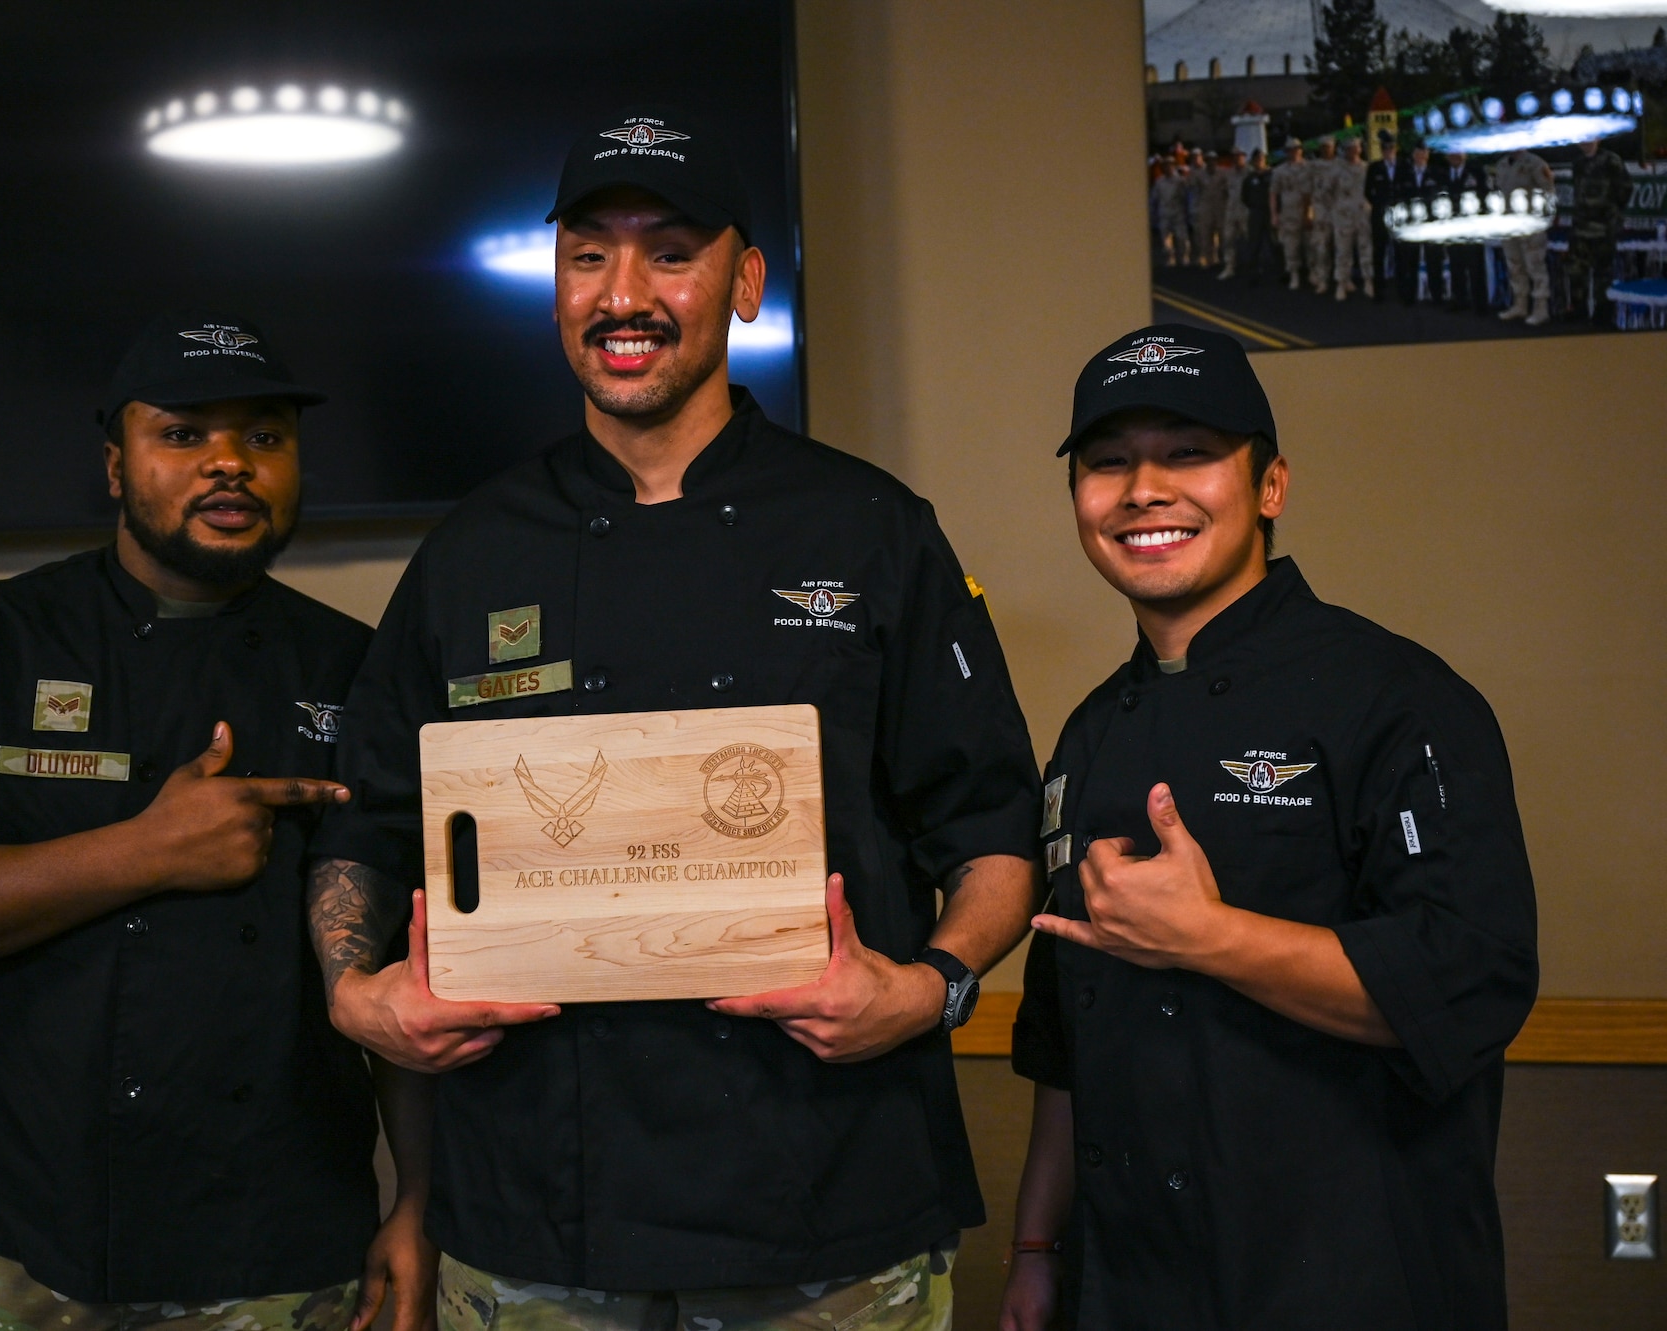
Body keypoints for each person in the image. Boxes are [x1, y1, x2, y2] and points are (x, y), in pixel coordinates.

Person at [310, 105, 1044, 1331]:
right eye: (588, 254)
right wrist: (354, 993)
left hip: (828, 1198)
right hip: (536, 1214)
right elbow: (370, 822)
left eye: (668, 252)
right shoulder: (471, 552)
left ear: (744, 282)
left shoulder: (868, 531)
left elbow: (993, 826)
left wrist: (931, 986)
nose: (622, 292)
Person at [0, 313, 436, 1330]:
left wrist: (418, 1200)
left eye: (265, 437)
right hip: (40, 1226)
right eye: (184, 434)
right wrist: (142, 851)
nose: (230, 463)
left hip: (281, 1231)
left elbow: (405, 952)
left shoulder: (357, 666)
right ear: (115, 465)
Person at [994, 324, 1539, 1330]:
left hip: (1350, 1280)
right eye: (1106, 463)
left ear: (1270, 484)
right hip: (1126, 1288)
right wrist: (1036, 1247)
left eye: (1187, 454)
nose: (1142, 489)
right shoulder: (1084, 733)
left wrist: (1210, 938)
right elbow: (1063, 1039)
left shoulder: (1395, 699)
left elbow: (1469, 977)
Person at [1565, 136, 1631, 326]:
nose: (1584, 142)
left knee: (1603, 272)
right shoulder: (1578, 164)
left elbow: (1625, 189)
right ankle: (1578, 309)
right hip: (1581, 227)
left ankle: (1603, 313)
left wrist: (1610, 212)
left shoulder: (1611, 161)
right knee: (1577, 271)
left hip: (1604, 228)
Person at [1492, 146, 1555, 325]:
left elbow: (1548, 190)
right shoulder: (1502, 164)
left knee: (1535, 266)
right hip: (1509, 224)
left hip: (1530, 224)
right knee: (1515, 265)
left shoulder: (1535, 163)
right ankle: (1520, 304)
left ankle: (1540, 308)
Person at [1440, 150, 1490, 313]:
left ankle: (1480, 303)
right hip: (1452, 225)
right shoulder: (1443, 173)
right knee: (1456, 264)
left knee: (1475, 265)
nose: (1454, 156)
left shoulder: (1476, 171)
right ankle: (1459, 299)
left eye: (1458, 153)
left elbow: (1485, 195)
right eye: (1451, 153)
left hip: (1472, 226)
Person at [1396, 143, 1445, 305]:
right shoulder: (1404, 175)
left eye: (1423, 152)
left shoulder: (1437, 173)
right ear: (1413, 155)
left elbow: (1443, 197)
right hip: (1411, 224)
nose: (1420, 155)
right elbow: (1399, 197)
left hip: (1431, 224)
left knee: (1434, 262)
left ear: (1428, 154)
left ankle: (1436, 296)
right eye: (1417, 152)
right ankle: (1408, 296)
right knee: (1410, 262)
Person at [1330, 137, 1376, 301]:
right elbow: (1327, 192)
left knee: (1366, 251)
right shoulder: (1337, 170)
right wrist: (1337, 209)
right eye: (1350, 148)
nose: (1353, 151)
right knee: (1343, 252)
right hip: (1344, 216)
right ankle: (1341, 283)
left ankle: (1369, 282)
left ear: (1360, 149)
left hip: (1363, 215)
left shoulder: (1366, 168)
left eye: (1356, 148)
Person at [1269, 139, 1312, 290]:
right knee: (1290, 247)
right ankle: (1294, 275)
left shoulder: (1310, 168)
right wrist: (1274, 214)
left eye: (1296, 149)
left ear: (1301, 150)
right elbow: (1274, 193)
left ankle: (1313, 274)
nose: (1293, 152)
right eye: (1290, 150)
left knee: (1311, 245)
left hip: (1308, 211)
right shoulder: (1279, 171)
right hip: (1288, 212)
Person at [1363, 131, 1401, 301]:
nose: (1388, 151)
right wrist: (1379, 204)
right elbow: (1367, 192)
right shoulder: (1374, 168)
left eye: (1391, 148)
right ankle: (1379, 290)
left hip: (1400, 215)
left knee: (1401, 252)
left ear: (1395, 148)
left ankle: (1401, 288)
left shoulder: (1403, 166)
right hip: (1380, 215)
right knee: (1379, 252)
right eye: (1385, 148)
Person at [1235, 149, 1278, 285]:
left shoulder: (1272, 175)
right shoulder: (1249, 178)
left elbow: (1278, 193)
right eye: (1257, 159)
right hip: (1256, 212)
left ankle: (1279, 271)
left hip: (1270, 211)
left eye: (1261, 158)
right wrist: (1254, 206)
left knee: (1274, 242)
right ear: (1253, 161)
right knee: (1254, 243)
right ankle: (1253, 272)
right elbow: (1245, 197)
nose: (1259, 161)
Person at [1306, 138, 1339, 294]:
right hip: (1320, 211)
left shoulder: (1341, 165)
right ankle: (1321, 279)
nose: (1326, 150)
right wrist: (1308, 212)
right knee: (1320, 247)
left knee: (1341, 248)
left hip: (1339, 211)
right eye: (1323, 147)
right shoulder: (1313, 166)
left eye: (1329, 147)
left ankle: (1342, 279)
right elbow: (1307, 190)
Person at [1194, 152, 1232, 270]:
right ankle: (1208, 260)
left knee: (1223, 235)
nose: (1212, 162)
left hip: (1220, 207)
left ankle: (1226, 260)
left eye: (1214, 160)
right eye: (1209, 160)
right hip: (1205, 206)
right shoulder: (1199, 174)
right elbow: (1195, 190)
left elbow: (1229, 188)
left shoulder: (1224, 173)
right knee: (1206, 235)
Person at [1216, 150, 1249, 280]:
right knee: (1228, 239)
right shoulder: (1228, 174)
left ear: (1244, 157)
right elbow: (1223, 190)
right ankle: (1229, 266)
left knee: (1249, 240)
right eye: (1234, 157)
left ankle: (1252, 265)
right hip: (1231, 210)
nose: (1237, 159)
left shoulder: (1249, 172)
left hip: (1245, 210)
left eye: (1239, 156)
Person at [1153, 161, 1191, 266]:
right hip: (1164, 212)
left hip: (1178, 212)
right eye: (1165, 166)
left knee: (1181, 237)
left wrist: (1187, 211)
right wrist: (1154, 213)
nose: (1167, 168)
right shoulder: (1159, 181)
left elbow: (1186, 196)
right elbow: (1155, 198)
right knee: (1166, 239)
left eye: (1169, 166)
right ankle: (1171, 257)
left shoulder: (1180, 180)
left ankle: (1184, 257)